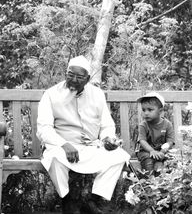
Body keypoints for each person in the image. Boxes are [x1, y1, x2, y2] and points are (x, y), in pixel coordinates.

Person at [37, 55, 130, 214]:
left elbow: (106, 125)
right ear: (66, 73)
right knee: (53, 159)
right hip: (61, 147)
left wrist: (108, 138)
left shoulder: (97, 94)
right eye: (70, 74)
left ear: (87, 79)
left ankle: (94, 201)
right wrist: (64, 144)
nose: (73, 80)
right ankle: (67, 201)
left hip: (90, 148)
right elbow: (43, 128)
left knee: (119, 156)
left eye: (79, 77)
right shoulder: (51, 94)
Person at [136, 92, 175, 175]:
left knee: (171, 159)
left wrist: (162, 152)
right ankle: (149, 181)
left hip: (162, 151)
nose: (146, 113)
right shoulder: (143, 125)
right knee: (148, 159)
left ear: (160, 111)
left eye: (150, 110)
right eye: (144, 110)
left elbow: (170, 141)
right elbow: (142, 141)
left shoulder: (167, 124)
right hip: (146, 151)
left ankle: (165, 182)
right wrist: (152, 151)